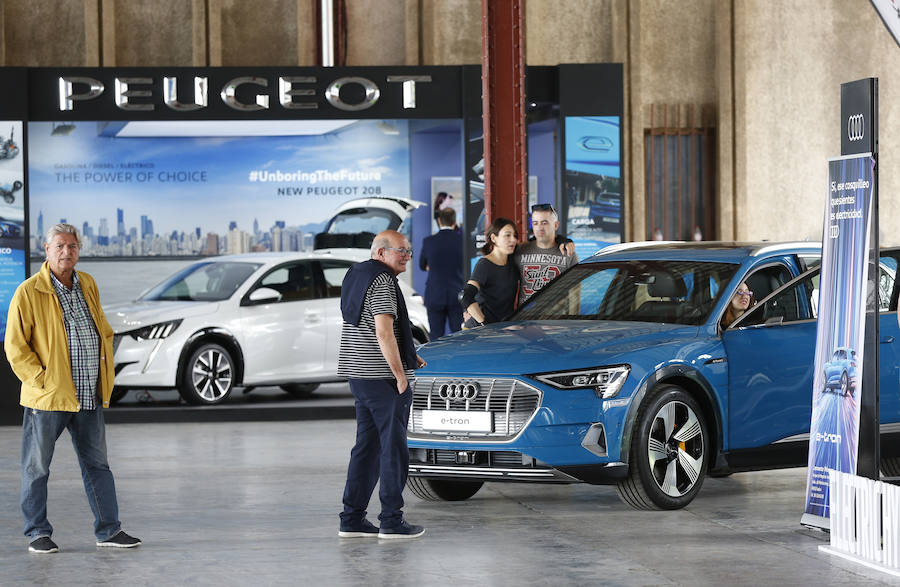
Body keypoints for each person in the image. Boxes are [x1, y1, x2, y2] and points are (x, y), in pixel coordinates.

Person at [5, 223, 141, 554]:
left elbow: (102, 328)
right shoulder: (29, 291)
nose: (67, 251)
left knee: (98, 466)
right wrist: (42, 381)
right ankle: (37, 533)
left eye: (73, 246)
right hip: (49, 398)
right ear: (46, 250)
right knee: (36, 468)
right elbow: (15, 347)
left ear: (78, 250)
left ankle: (109, 530)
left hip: (88, 395)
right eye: (60, 246)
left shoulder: (88, 284)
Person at [337, 229, 427, 539]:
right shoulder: (383, 281)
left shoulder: (356, 274)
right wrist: (400, 375)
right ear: (380, 253)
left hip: (359, 375)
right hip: (383, 379)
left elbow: (363, 328)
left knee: (366, 447)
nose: (407, 256)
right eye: (400, 251)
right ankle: (391, 520)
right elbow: (383, 332)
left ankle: (352, 518)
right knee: (393, 449)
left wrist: (408, 356)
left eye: (409, 251)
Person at [462, 217, 520, 327]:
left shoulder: (513, 261)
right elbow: (466, 296)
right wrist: (485, 324)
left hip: (504, 329)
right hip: (480, 332)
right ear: (494, 238)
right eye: (507, 235)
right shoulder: (484, 264)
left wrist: (561, 241)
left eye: (515, 235)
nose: (513, 239)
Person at [516, 203, 579, 303]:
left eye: (544, 223)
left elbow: (575, 294)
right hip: (525, 317)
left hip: (556, 317)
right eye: (535, 223)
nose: (539, 228)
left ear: (556, 225)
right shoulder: (520, 251)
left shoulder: (568, 254)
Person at [419, 207, 464, 337]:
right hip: (456, 294)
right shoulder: (462, 241)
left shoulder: (428, 241)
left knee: (436, 336)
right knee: (458, 335)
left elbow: (422, 265)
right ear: (455, 222)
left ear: (439, 221)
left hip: (434, 294)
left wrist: (432, 266)